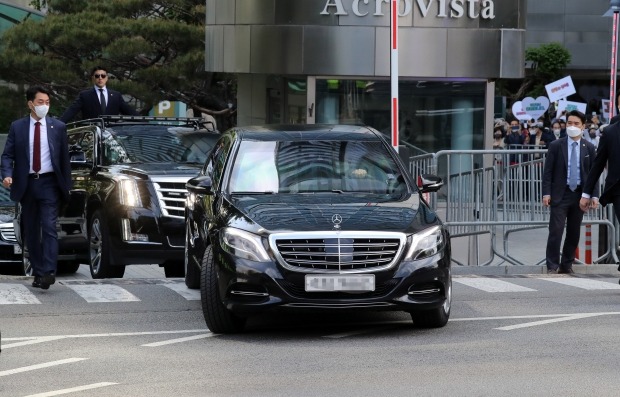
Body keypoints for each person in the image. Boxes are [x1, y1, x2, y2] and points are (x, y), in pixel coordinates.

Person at [1, 86, 72, 289]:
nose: (45, 106)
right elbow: (7, 155)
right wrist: (7, 174)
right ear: (30, 104)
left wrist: (67, 186)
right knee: (31, 231)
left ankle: (49, 271)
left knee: (49, 228)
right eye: (41, 102)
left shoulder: (58, 127)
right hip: (28, 183)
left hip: (50, 183)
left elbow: (64, 160)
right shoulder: (18, 127)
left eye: (47, 102)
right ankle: (39, 272)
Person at [543, 110, 598, 274]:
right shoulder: (556, 145)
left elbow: (593, 174)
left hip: (580, 196)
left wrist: (593, 195)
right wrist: (546, 193)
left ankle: (567, 264)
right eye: (569, 123)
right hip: (560, 194)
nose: (572, 126)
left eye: (576, 123)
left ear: (583, 126)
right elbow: (548, 172)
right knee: (556, 230)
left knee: (574, 232)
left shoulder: (589, 147)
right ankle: (552, 265)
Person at [59, 66, 137, 123]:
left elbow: (129, 112)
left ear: (106, 78)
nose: (100, 78)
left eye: (103, 76)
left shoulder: (116, 96)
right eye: (97, 76)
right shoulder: (85, 95)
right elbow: (71, 111)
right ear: (93, 78)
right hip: (92, 135)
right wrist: (57, 124)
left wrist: (145, 123)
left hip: (112, 135)